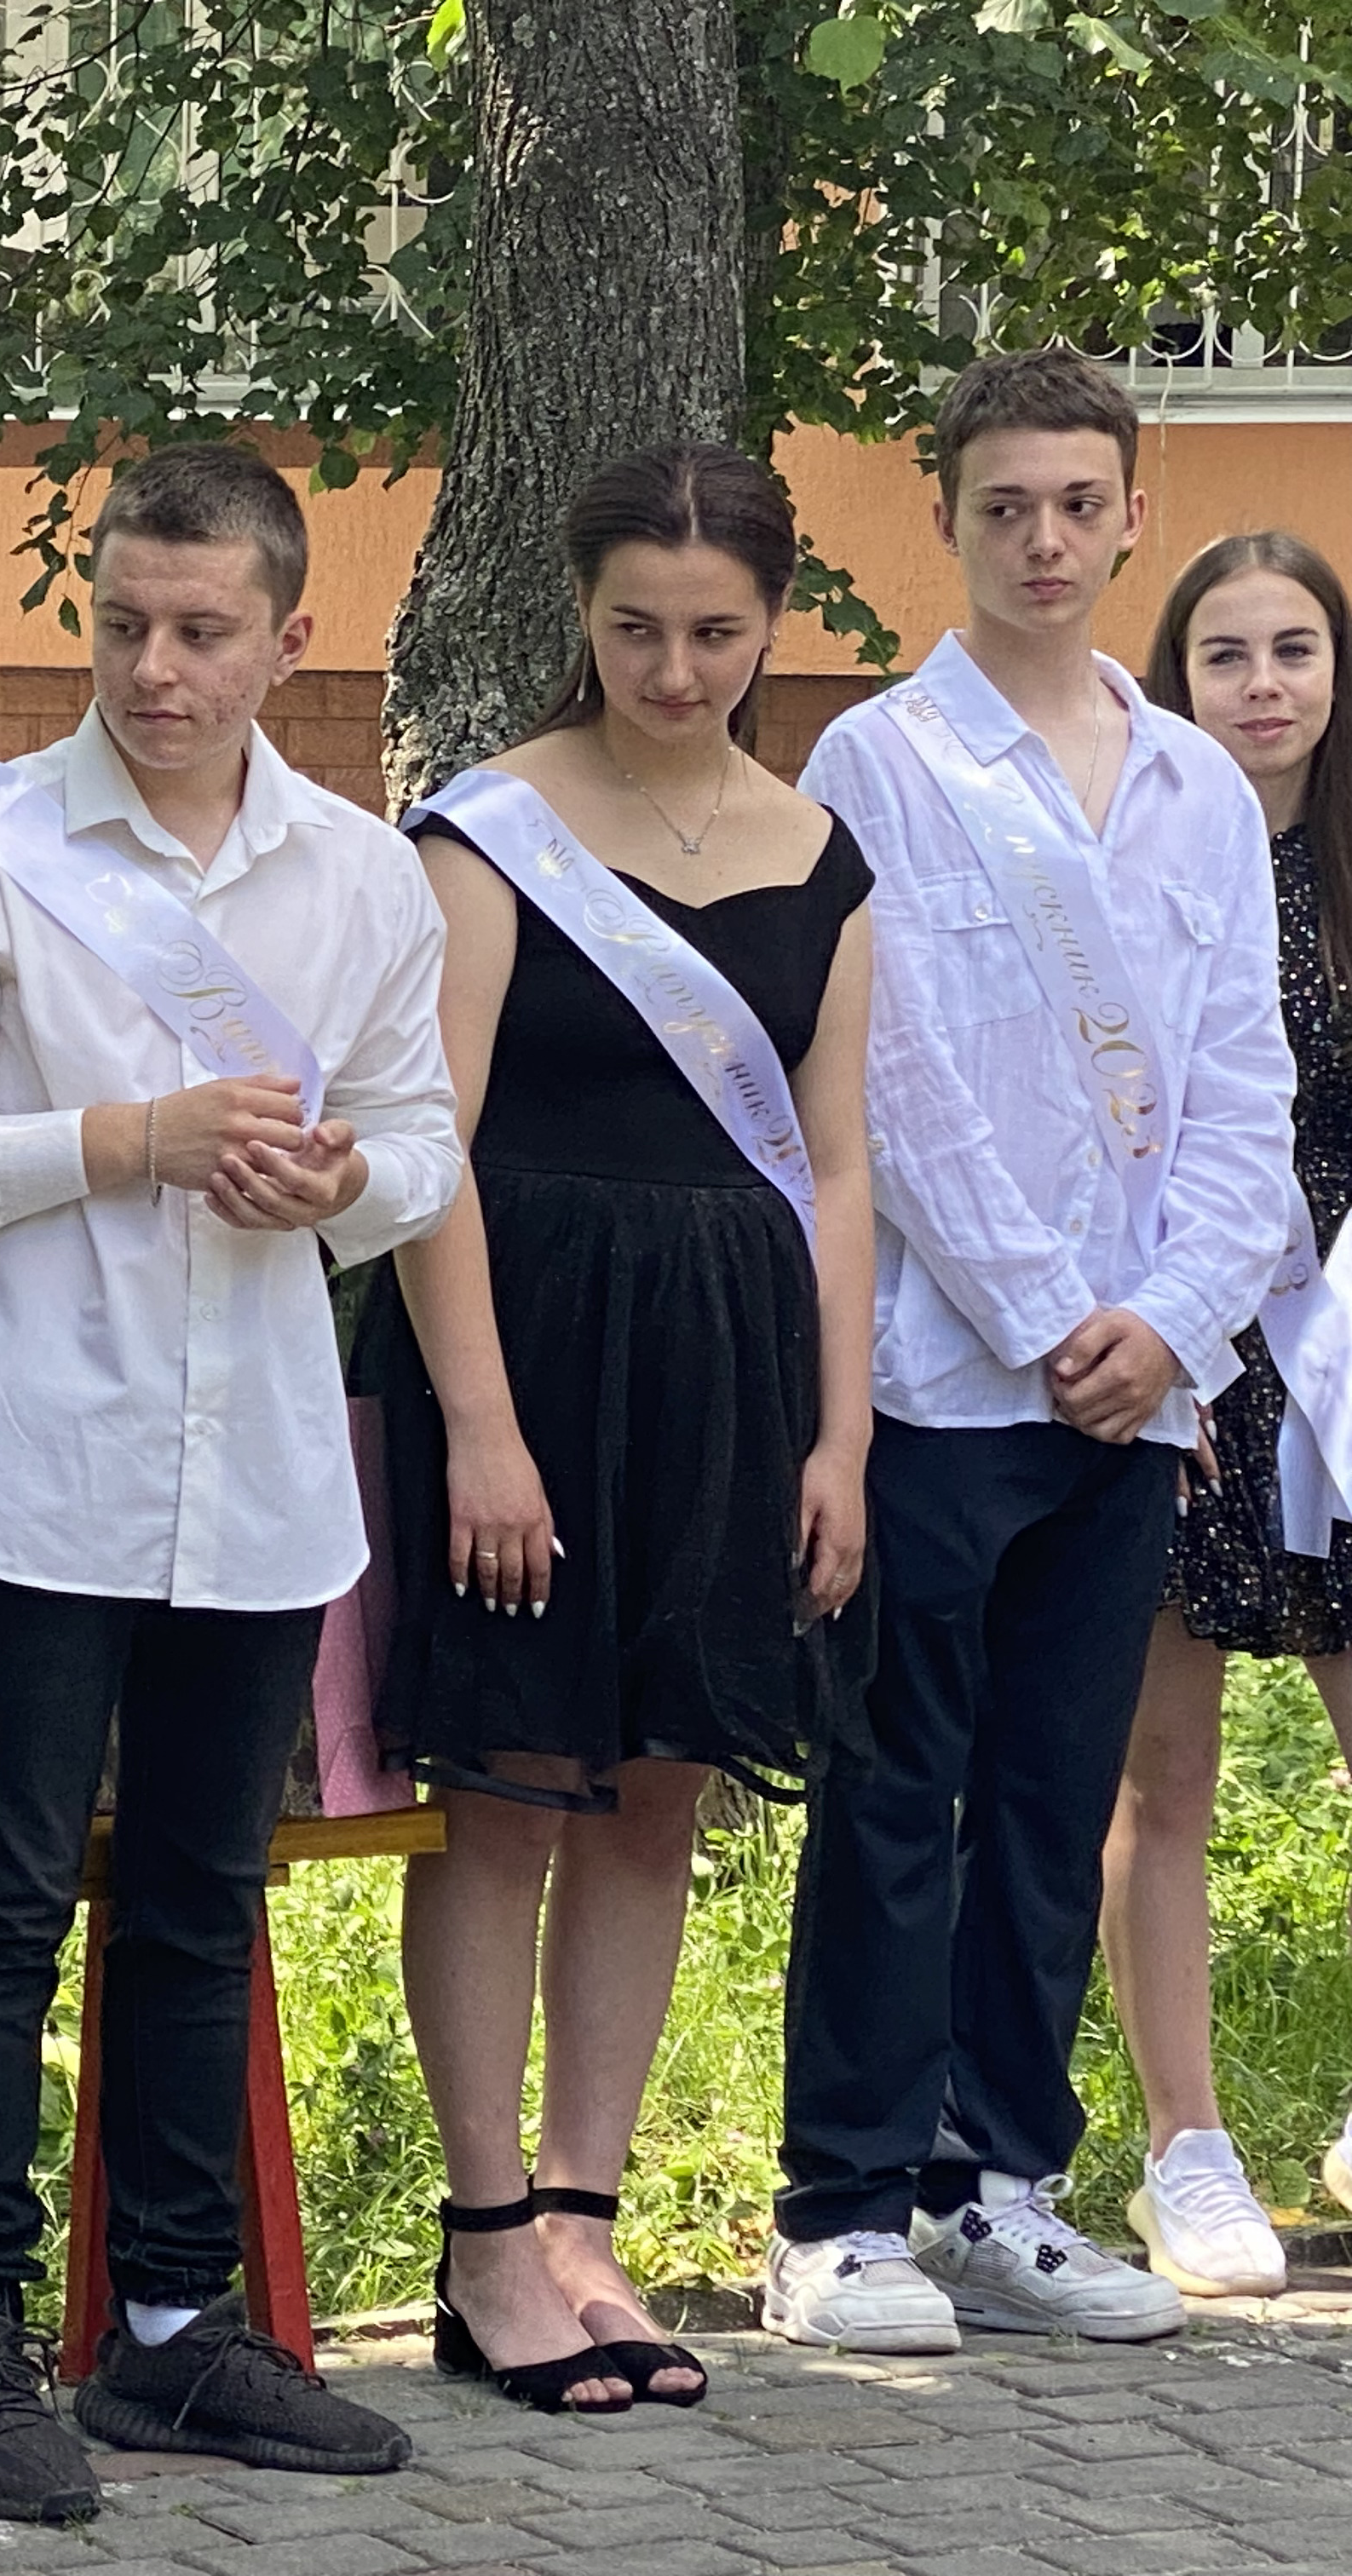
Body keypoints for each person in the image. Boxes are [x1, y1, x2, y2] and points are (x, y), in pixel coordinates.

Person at [0, 441, 461, 2521]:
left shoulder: (361, 878)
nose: (155, 671)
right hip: (41, 1458)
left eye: (202, 633)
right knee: (0, 1902)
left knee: (203, 1903)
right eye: (120, 625)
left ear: (291, 636)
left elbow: (425, 1145)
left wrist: (341, 1182)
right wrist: (129, 1142)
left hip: (259, 1470)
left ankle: (176, 2331)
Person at [768, 347, 1293, 2355]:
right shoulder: (881, 763)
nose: (1045, 541)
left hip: (1138, 1396)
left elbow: (1243, 1085)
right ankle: (842, 2208)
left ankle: (999, 2186)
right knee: (895, 1787)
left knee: (1057, 1797)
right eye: (1006, 508)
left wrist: (1170, 1323)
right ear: (949, 518)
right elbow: (882, 1084)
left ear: (1135, 516)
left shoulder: (1196, 791)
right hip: (939, 1371)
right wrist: (1044, 1311)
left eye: (1080, 505)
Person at [370, 444, 876, 2416]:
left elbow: (840, 1168)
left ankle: (587, 2224)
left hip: (730, 1379)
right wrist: (483, 1430)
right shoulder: (489, 834)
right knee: (507, 1791)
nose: (675, 670)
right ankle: (485, 2233)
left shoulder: (822, 861)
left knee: (660, 1790)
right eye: (637, 629)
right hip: (529, 1356)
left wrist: (839, 1440)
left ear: (773, 625)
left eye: (716, 634)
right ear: (583, 616)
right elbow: (430, 1144)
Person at [1097, 531, 1352, 2298]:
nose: (1263, 686)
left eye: (1295, 650)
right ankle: (1185, 2151)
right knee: (1162, 1770)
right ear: (1175, 680)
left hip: (1351, 1356)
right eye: (1226, 656)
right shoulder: (1141, 870)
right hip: (1188, 1353)